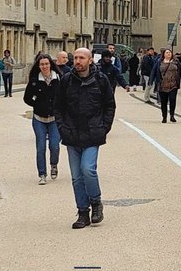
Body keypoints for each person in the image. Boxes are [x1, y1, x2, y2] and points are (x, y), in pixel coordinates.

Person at [56, 48, 115, 229]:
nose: (78, 61)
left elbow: (109, 105)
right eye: (76, 58)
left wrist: (104, 128)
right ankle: (83, 211)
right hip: (72, 133)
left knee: (88, 169)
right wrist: (62, 128)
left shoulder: (100, 80)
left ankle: (96, 203)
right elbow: (58, 106)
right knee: (76, 177)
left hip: (92, 133)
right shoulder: (66, 80)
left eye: (82, 58)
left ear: (90, 60)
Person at [24, 55, 61, 185]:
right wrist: (37, 103)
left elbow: (65, 96)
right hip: (39, 118)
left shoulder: (59, 79)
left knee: (54, 146)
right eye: (42, 64)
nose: (44, 66)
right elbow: (27, 98)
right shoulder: (34, 81)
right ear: (38, 66)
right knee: (40, 147)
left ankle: (54, 164)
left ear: (50, 64)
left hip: (54, 119)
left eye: (46, 64)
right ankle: (42, 174)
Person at [152, 49, 181, 123]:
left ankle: (172, 116)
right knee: (163, 102)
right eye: (167, 53)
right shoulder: (159, 62)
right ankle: (164, 117)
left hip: (173, 84)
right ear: (164, 54)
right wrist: (151, 81)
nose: (168, 54)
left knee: (172, 100)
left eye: (169, 53)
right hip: (163, 85)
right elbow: (154, 71)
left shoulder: (176, 62)